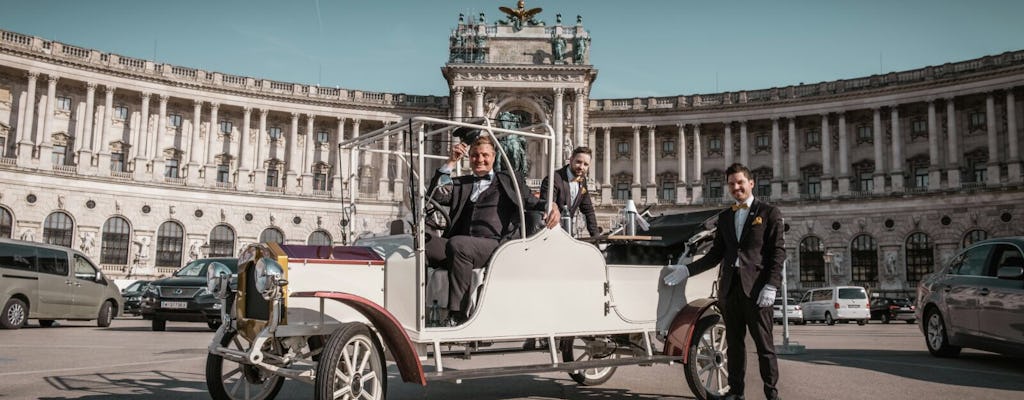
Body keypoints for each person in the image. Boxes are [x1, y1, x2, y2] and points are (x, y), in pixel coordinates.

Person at [665, 163, 785, 400]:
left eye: (740, 182)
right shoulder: (726, 216)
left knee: (765, 348)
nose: (736, 187)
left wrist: (771, 285)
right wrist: (687, 270)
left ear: (751, 183)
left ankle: (772, 394)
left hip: (758, 290)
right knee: (735, 346)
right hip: (730, 290)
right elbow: (715, 255)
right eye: (731, 184)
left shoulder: (769, 212)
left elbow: (778, 253)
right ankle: (736, 392)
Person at [426, 132, 560, 325]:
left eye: (484, 155)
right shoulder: (461, 183)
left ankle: (458, 315)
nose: (479, 159)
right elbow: (435, 196)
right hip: (459, 246)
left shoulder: (507, 180)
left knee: (459, 245)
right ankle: (419, 308)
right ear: (469, 157)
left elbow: (532, 202)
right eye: (475, 155)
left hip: (494, 245)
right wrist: (451, 162)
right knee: (422, 244)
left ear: (493, 157)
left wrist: (551, 205)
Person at [540, 146, 599, 237]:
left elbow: (588, 211)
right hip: (550, 230)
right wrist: (552, 205)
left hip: (567, 231)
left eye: (585, 164)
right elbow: (546, 202)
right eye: (578, 162)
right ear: (571, 160)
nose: (581, 167)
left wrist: (596, 237)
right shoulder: (553, 178)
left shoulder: (582, 181)